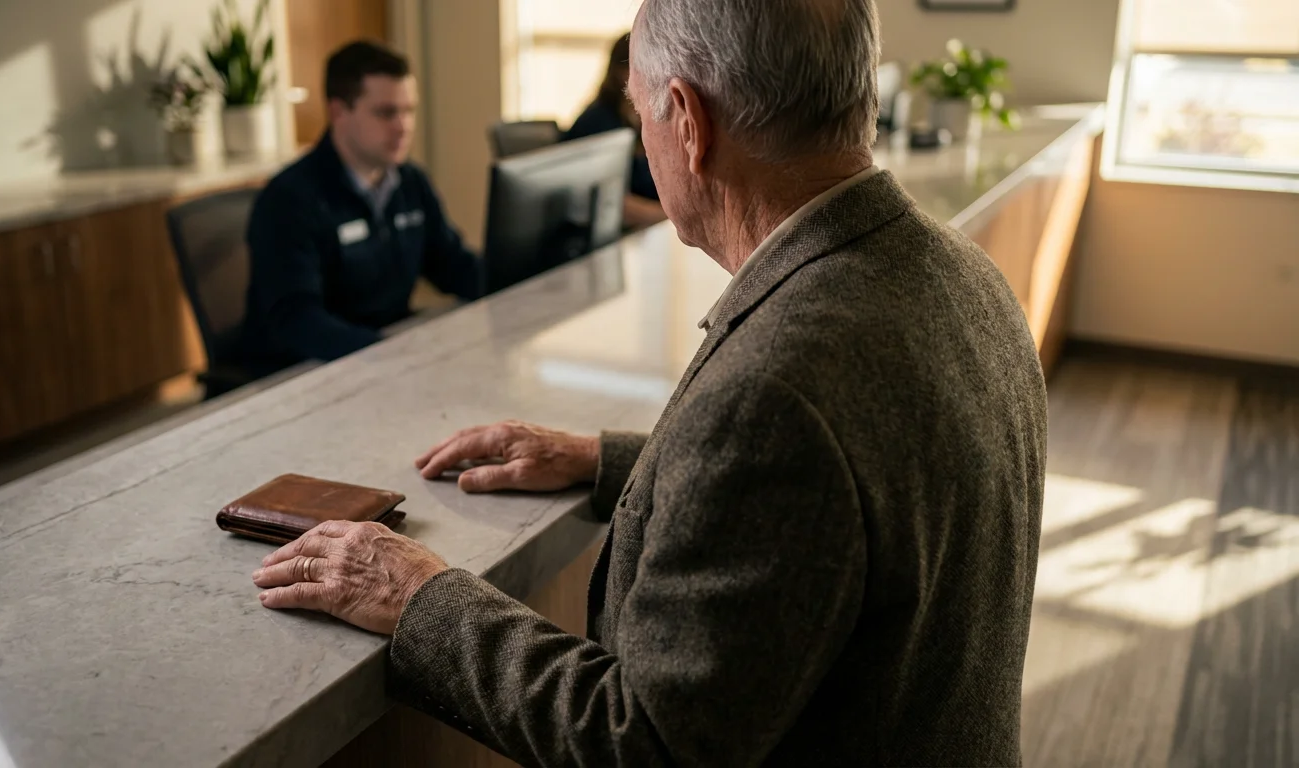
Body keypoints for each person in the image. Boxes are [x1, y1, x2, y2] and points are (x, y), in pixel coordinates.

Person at [251, 1, 1047, 765]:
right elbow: (839, 492)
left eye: (641, 118)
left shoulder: (774, 399)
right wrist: (607, 458)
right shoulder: (967, 278)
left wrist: (420, 596)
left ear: (689, 124)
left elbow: (642, 744)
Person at [239, 42, 482, 376]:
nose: (403, 126)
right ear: (338, 112)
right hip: (303, 375)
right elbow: (296, 319)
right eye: (386, 113)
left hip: (377, 363)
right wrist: (385, 354)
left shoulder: (410, 182)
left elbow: (453, 265)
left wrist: (522, 278)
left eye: (409, 110)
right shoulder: (290, 199)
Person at [563, 32, 667, 229]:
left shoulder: (638, 119)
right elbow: (613, 202)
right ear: (622, 72)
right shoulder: (599, 122)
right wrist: (671, 219)